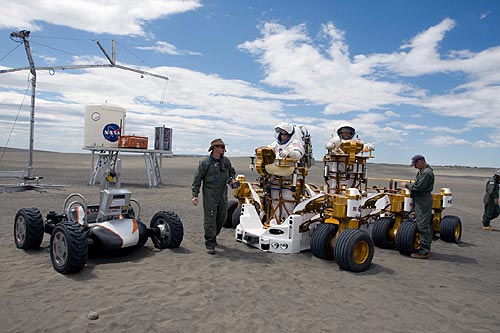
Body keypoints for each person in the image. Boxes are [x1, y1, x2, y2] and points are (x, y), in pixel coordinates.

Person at [191, 138, 237, 254]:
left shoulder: (226, 161)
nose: (223, 150)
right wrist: (195, 195)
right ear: (214, 148)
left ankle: (213, 235)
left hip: (223, 194)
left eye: (224, 147)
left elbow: (231, 173)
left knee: (222, 217)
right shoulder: (205, 163)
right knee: (210, 219)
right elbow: (197, 179)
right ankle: (210, 243)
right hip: (210, 195)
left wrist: (232, 180)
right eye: (221, 147)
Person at [401, 154, 435, 259]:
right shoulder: (423, 171)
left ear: (421, 161)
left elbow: (418, 187)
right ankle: (425, 248)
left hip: (423, 201)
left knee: (423, 225)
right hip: (421, 200)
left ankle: (424, 251)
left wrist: (406, 185)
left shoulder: (426, 173)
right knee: (423, 223)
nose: (415, 167)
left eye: (415, 164)